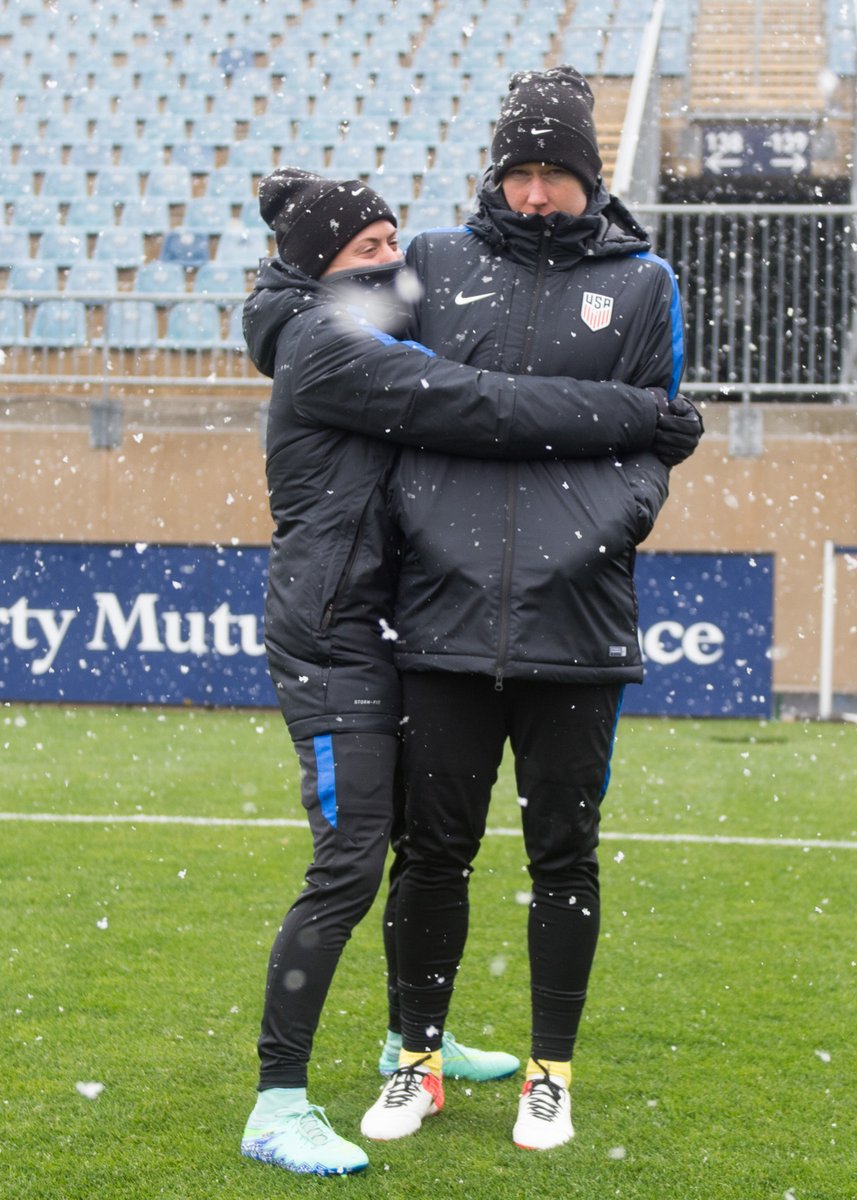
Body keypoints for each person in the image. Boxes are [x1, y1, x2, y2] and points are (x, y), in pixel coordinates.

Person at [238, 167, 693, 1176]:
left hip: (390, 627)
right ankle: (277, 1099)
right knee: (354, 860)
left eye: (396, 238)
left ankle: (416, 1045)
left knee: (417, 843)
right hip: (335, 638)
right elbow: (478, 403)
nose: (394, 260)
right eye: (367, 249)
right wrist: (637, 417)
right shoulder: (328, 346)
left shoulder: (362, 319)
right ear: (323, 271)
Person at [360, 66, 702, 1151]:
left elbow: (659, 443)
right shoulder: (432, 264)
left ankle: (549, 1072)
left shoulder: (645, 283)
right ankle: (416, 1058)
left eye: (556, 174)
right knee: (431, 855)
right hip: (441, 622)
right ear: (496, 175)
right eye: (521, 173)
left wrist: (598, 528)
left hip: (581, 623)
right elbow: (359, 384)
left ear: (589, 179)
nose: (537, 195)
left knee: (564, 858)